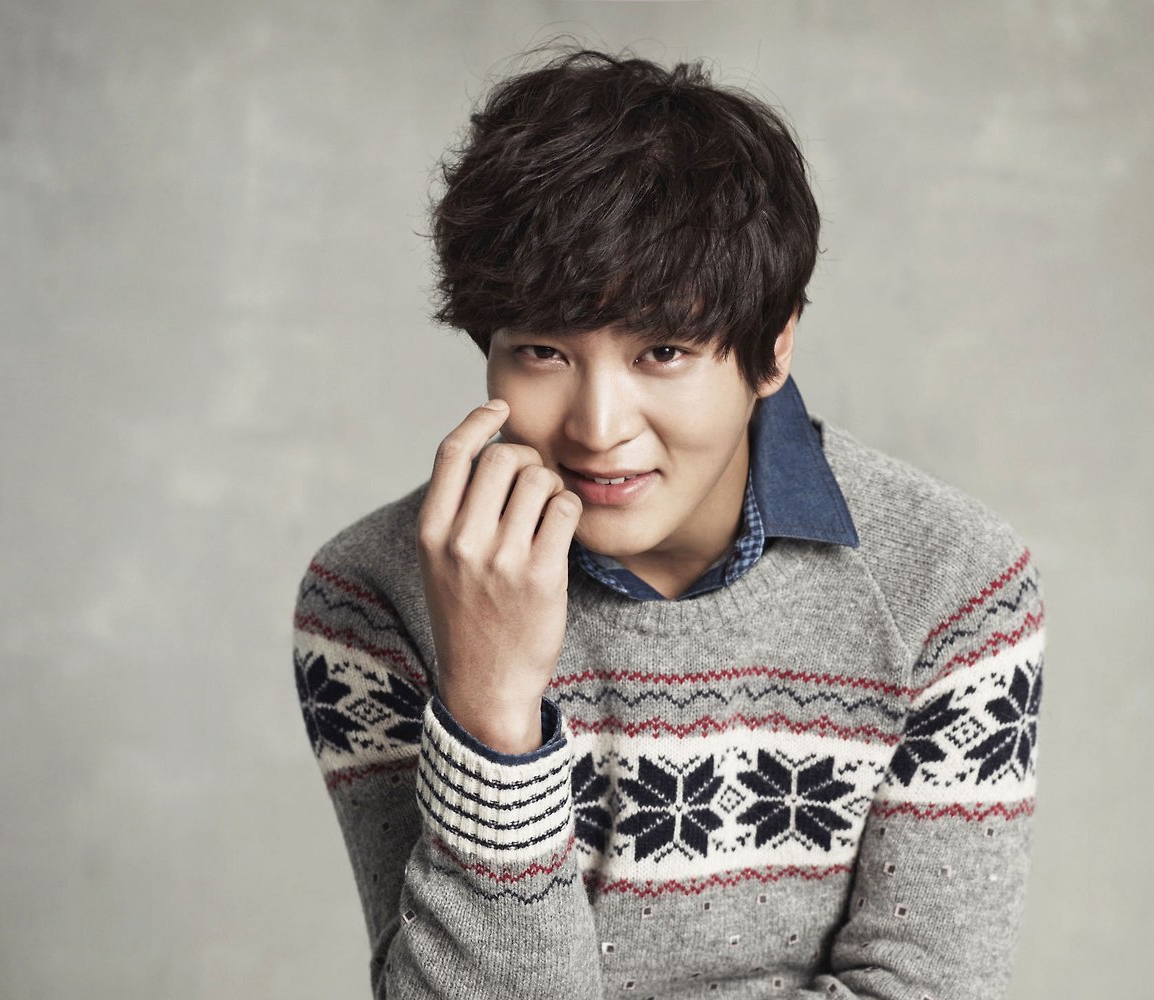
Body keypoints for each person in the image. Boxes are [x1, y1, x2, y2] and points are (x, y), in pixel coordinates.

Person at [292, 47, 1045, 1000]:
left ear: (774, 346)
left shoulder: (953, 583)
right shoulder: (376, 593)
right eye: (543, 350)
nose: (598, 427)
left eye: (663, 351)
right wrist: (491, 719)